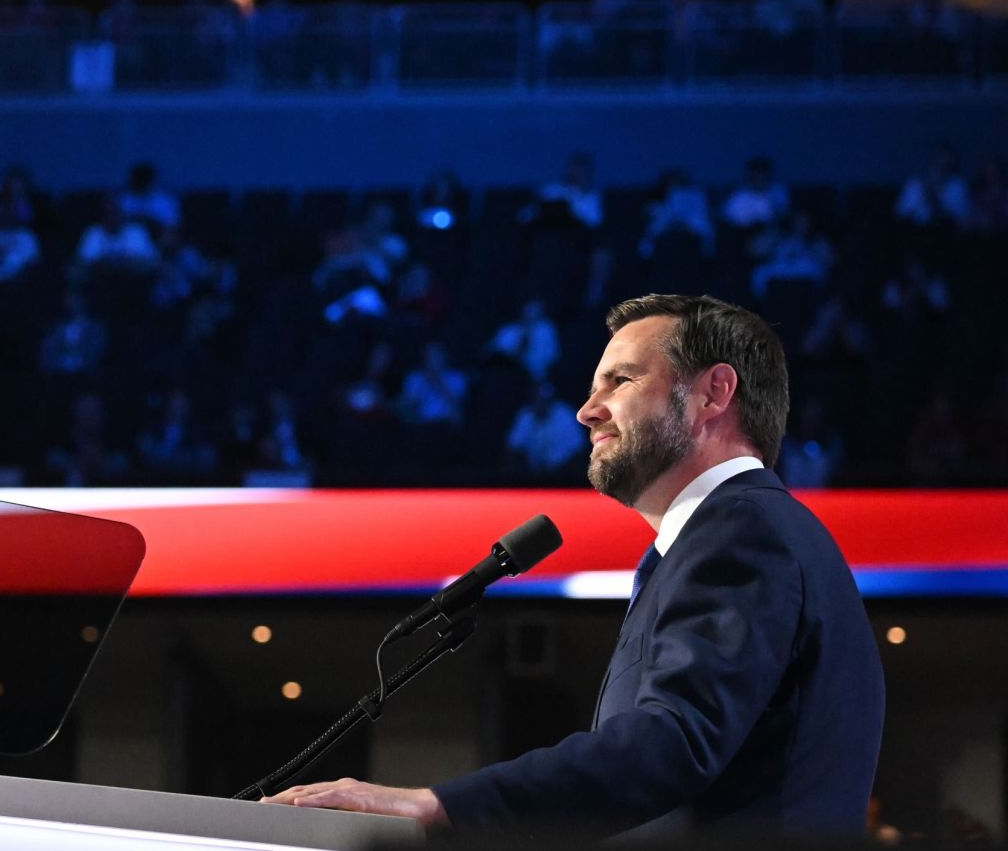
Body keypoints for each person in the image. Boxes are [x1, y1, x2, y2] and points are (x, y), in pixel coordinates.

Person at [265, 294, 884, 839]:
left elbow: (674, 742)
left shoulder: (743, 530)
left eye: (620, 381)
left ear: (713, 394)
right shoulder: (722, 539)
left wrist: (436, 806)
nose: (587, 411)